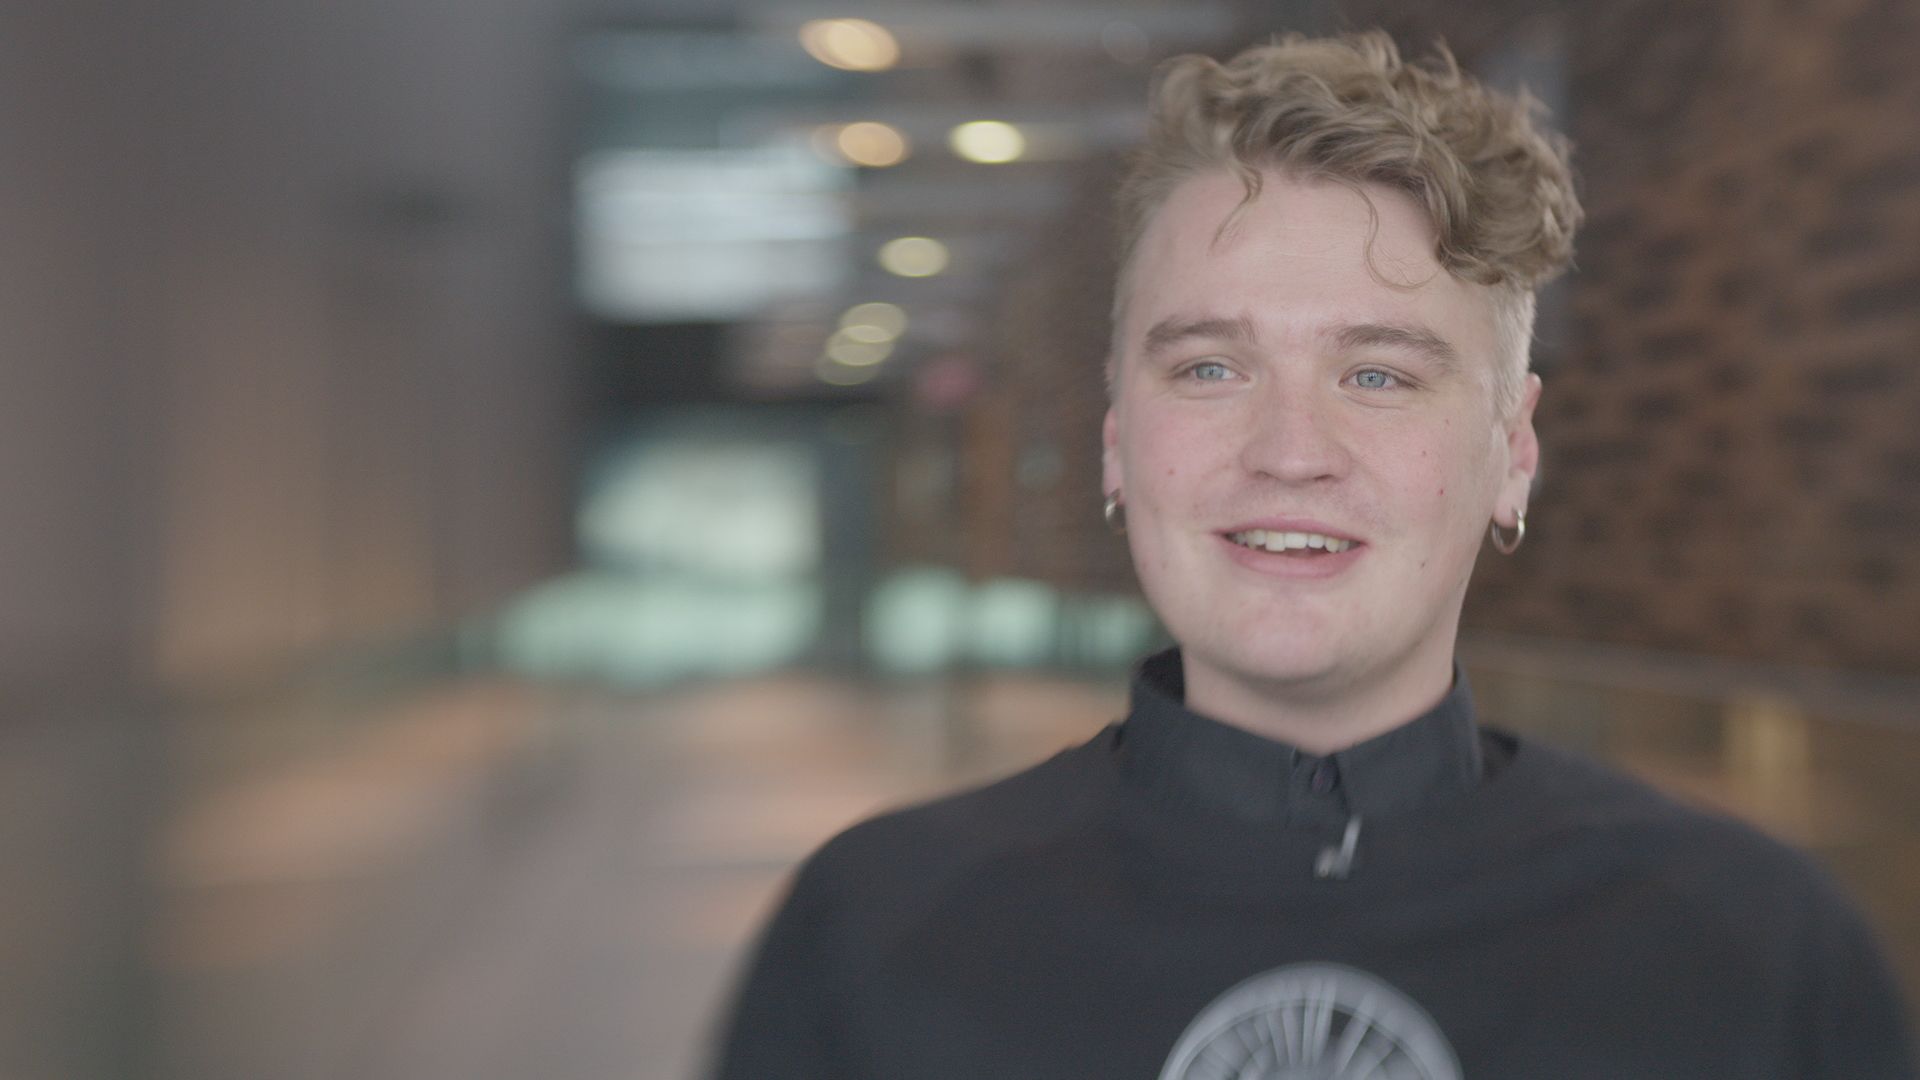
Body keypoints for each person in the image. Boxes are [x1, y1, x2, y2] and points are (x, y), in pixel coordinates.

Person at [710, 31, 1916, 1079]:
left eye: (1378, 374)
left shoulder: (1748, 951)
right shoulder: (880, 931)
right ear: (1120, 444)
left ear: (1513, 453)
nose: (1291, 452)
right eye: (1210, 368)